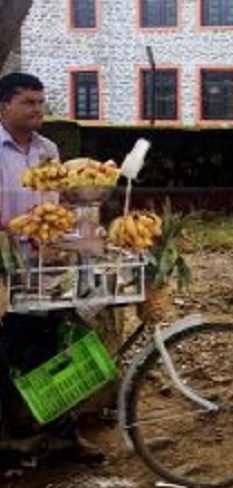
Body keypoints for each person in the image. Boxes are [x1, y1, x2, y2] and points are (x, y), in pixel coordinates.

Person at [0, 72, 103, 462]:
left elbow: (58, 202)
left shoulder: (49, 149)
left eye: (40, 102)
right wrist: (21, 230)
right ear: (5, 105)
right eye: (28, 102)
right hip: (6, 274)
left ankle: (63, 437)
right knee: (9, 355)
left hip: (49, 269)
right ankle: (14, 436)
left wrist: (71, 225)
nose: (37, 110)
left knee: (54, 350)